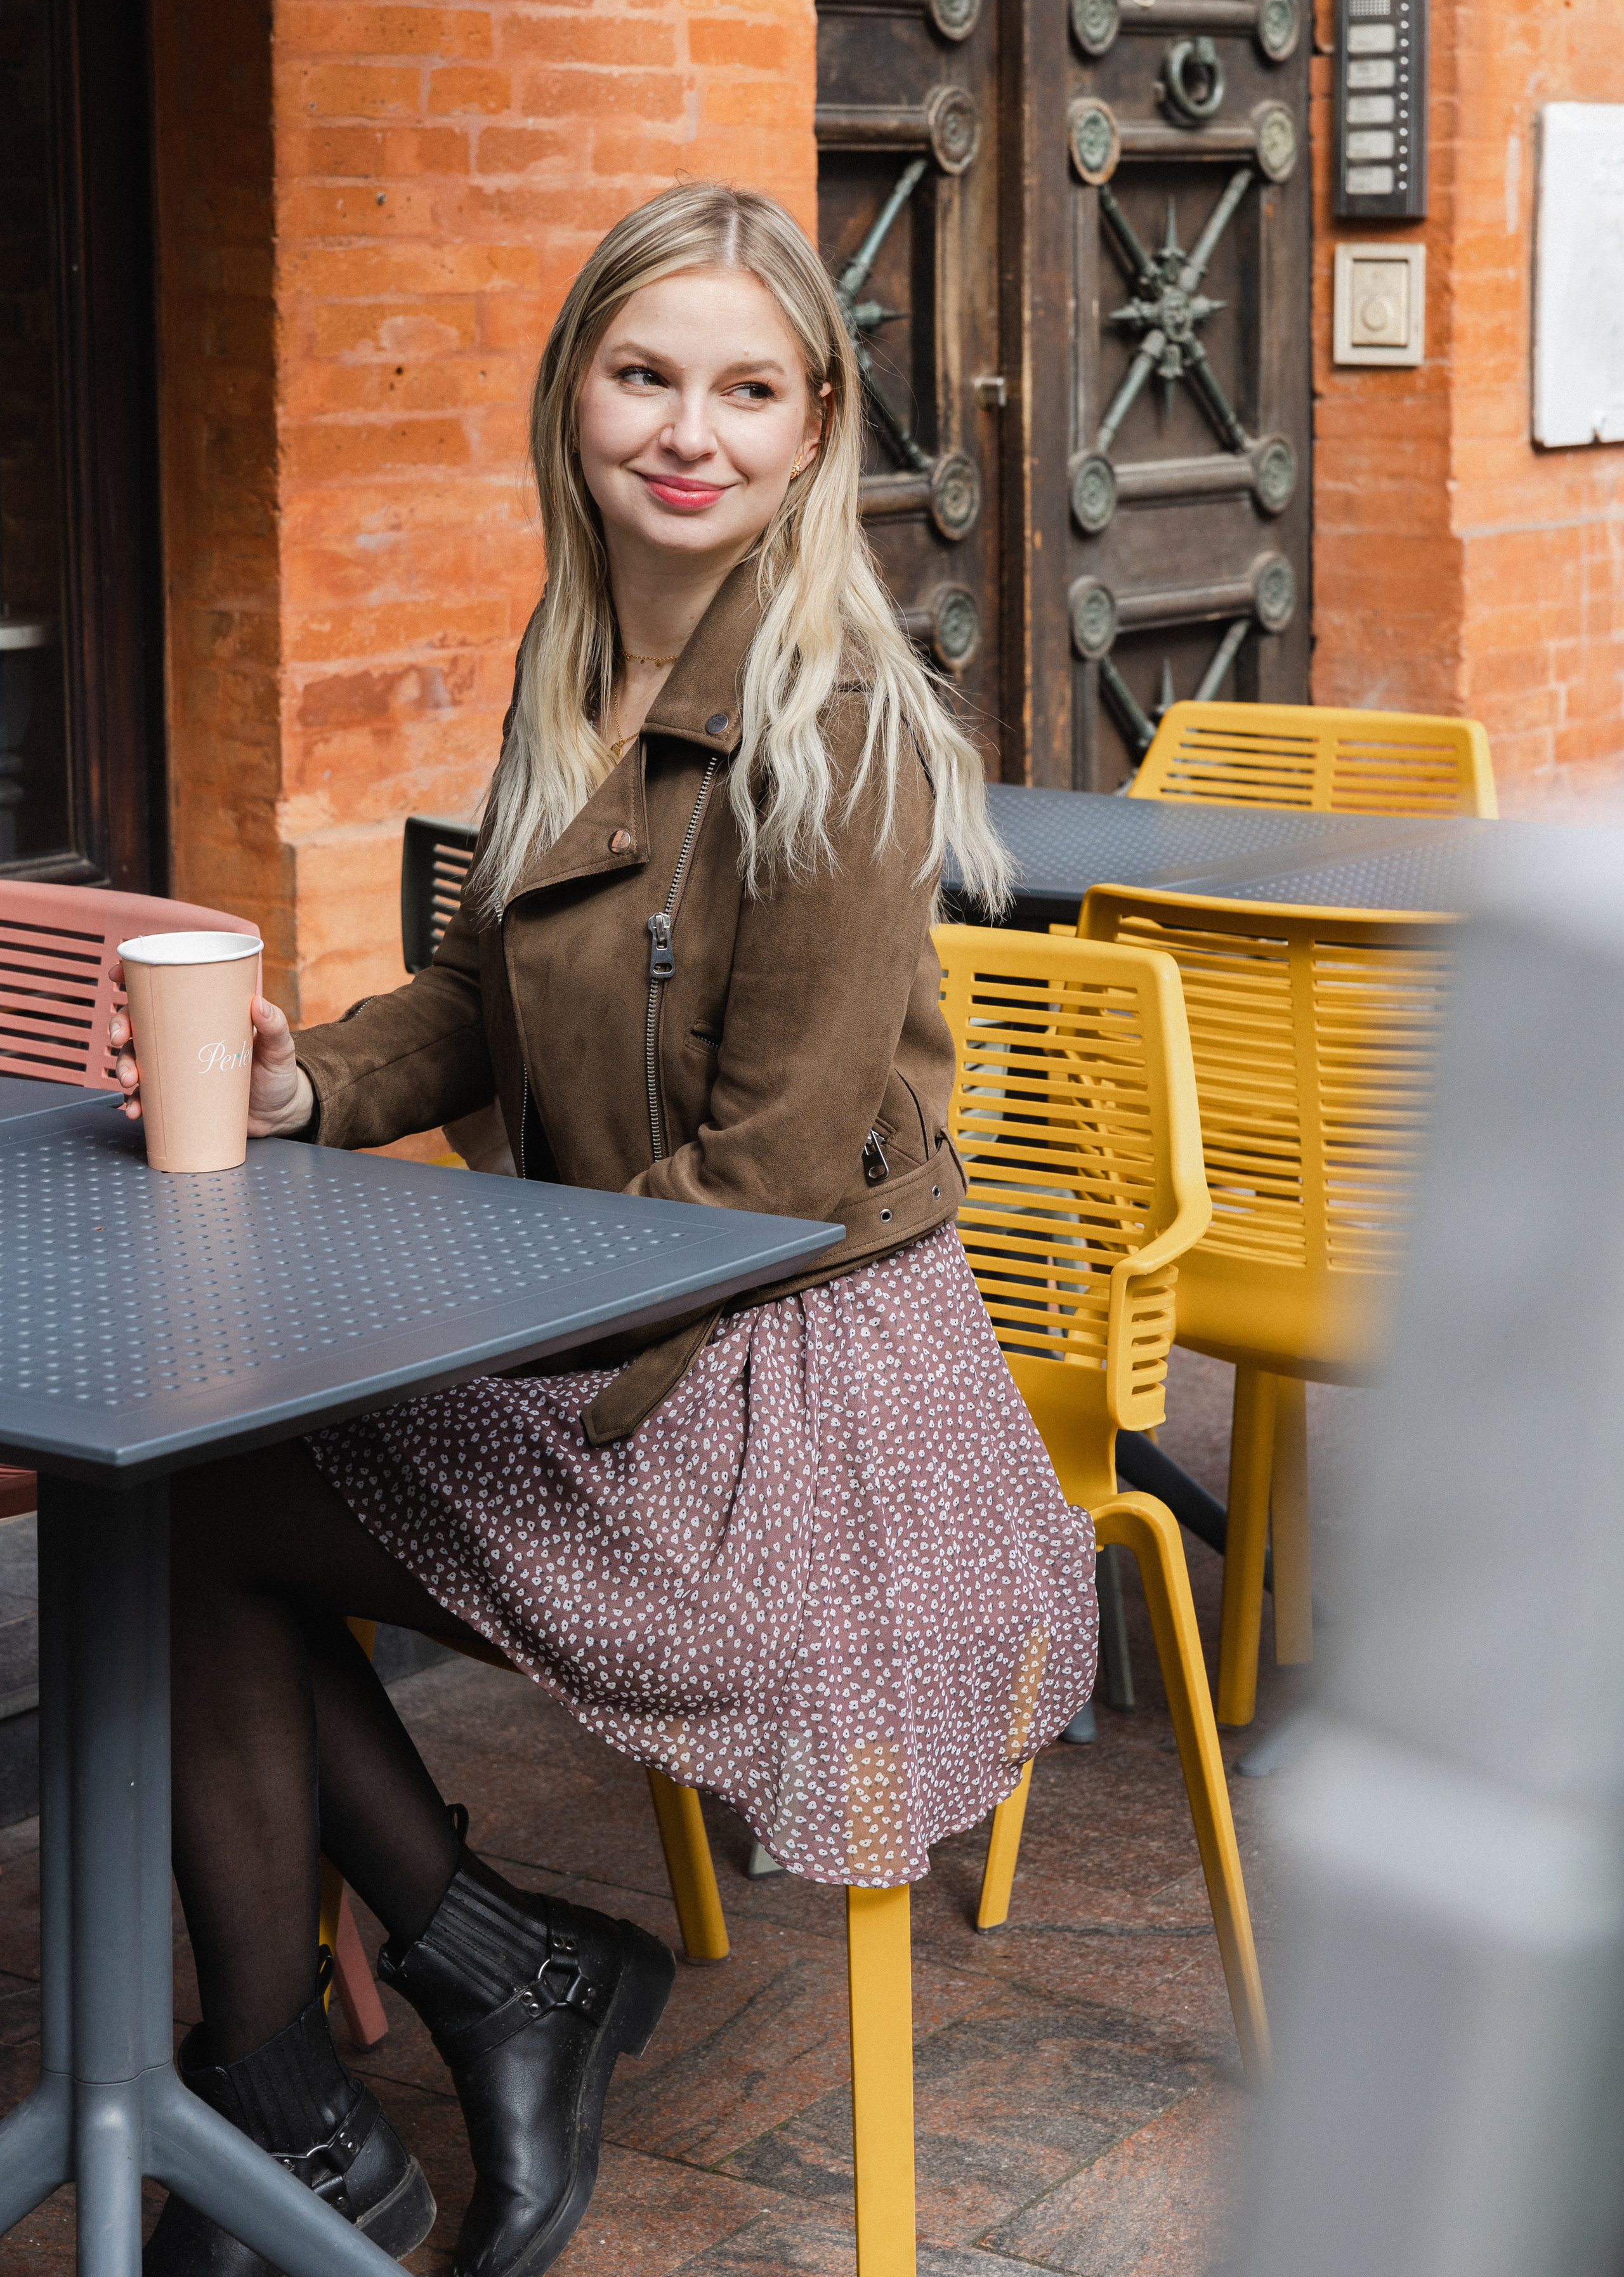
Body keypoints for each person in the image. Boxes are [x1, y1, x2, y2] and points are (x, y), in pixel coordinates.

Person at [110, 182, 1099, 2277]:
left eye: (749, 391)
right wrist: (314, 1089)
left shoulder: (839, 735)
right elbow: (482, 996)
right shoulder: (575, 662)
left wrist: (431, 1304)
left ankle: (337, 2070)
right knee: (191, 1489)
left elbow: (757, 1195)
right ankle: (421, 2009)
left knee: (202, 1510)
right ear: (572, 395)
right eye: (645, 375)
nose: (691, 432)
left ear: (819, 428)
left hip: (804, 1429)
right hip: (626, 1331)